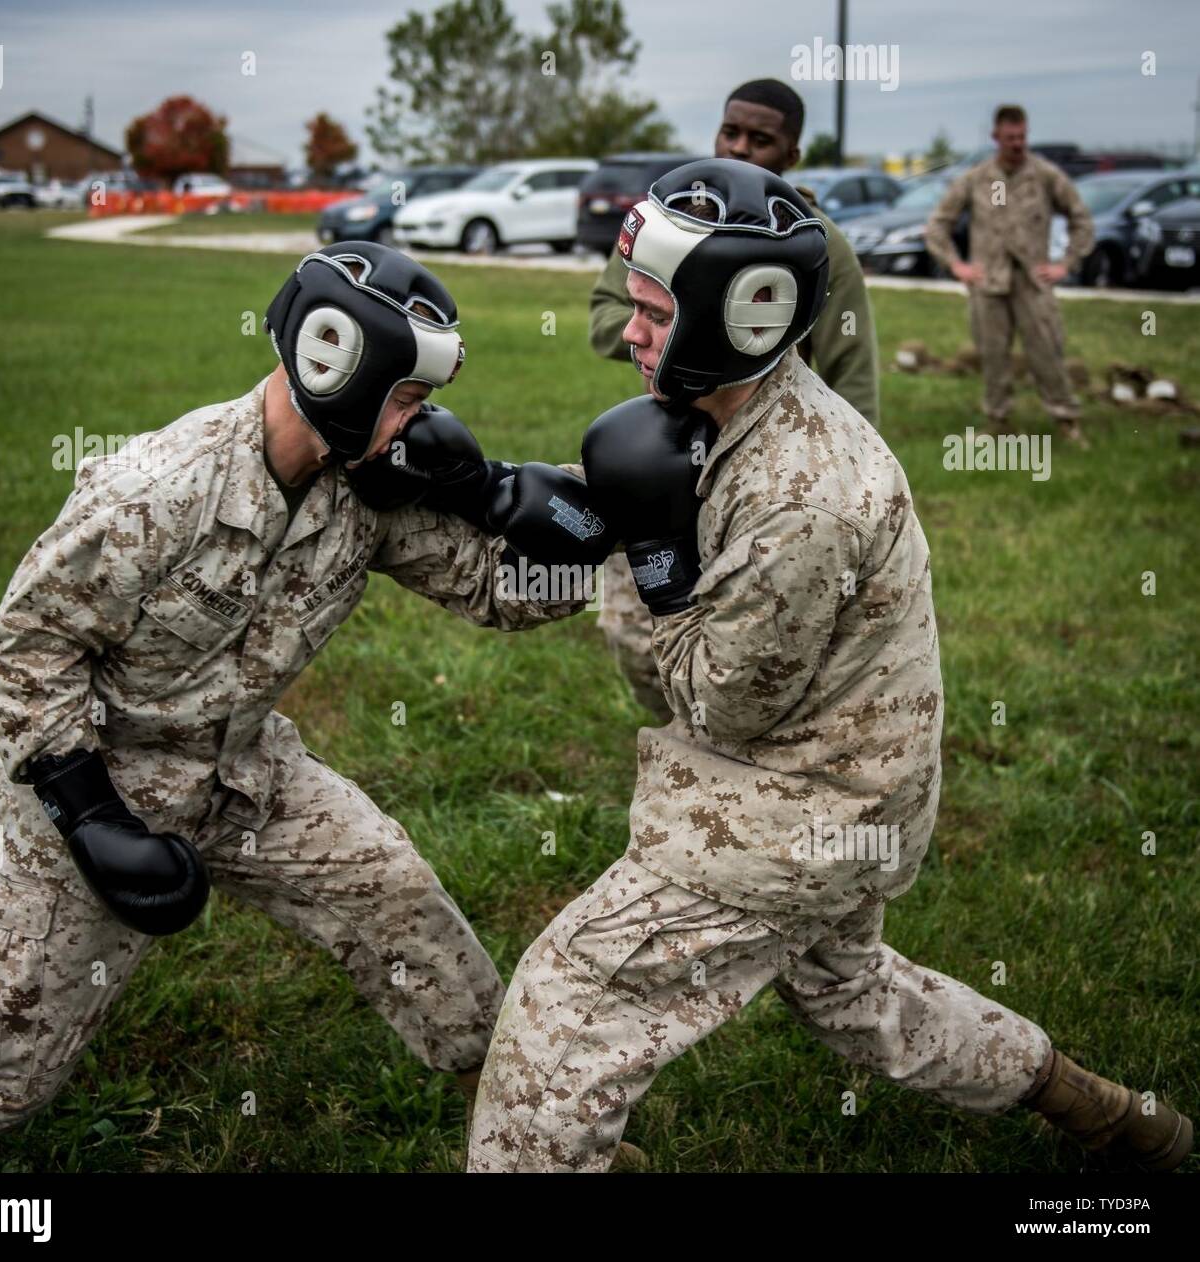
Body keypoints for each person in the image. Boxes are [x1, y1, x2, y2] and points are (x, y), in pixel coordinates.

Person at [465, 160, 1192, 1174]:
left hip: (805, 805)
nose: (629, 332)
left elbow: (719, 704)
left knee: (569, 1001)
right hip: (851, 779)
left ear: (739, 321)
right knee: (852, 992)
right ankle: (1110, 1115)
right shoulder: (724, 416)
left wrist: (652, 558)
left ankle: (543, 1152)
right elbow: (577, 551)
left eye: (653, 312)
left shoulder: (802, 494)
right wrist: (478, 490)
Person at [0, 243, 612, 1169]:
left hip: (245, 772)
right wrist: (90, 816)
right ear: (336, 369)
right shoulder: (157, 490)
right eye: (406, 399)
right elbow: (23, 653)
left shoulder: (364, 486)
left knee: (397, 900)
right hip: (93, 783)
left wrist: (531, 508)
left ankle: (521, 1122)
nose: (422, 423)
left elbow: (494, 593)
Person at [589, 78, 879, 723]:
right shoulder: (665, 223)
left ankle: (737, 742)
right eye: (731, 132)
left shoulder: (817, 247)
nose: (741, 148)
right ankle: (686, 732)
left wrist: (851, 482)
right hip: (666, 452)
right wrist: (674, 334)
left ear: (792, 154)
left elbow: (852, 370)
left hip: (767, 452)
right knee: (635, 629)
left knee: (753, 648)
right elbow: (605, 318)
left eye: (761, 139)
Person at [925, 104, 1095, 446]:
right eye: (1010, 137)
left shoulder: (1045, 176)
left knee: (1047, 351)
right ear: (996, 137)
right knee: (993, 355)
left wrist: (1065, 263)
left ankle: (1066, 420)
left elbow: (1082, 220)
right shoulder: (976, 179)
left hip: (1032, 282)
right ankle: (998, 421)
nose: (1017, 144)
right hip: (989, 282)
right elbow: (937, 225)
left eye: (1022, 137)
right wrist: (957, 265)